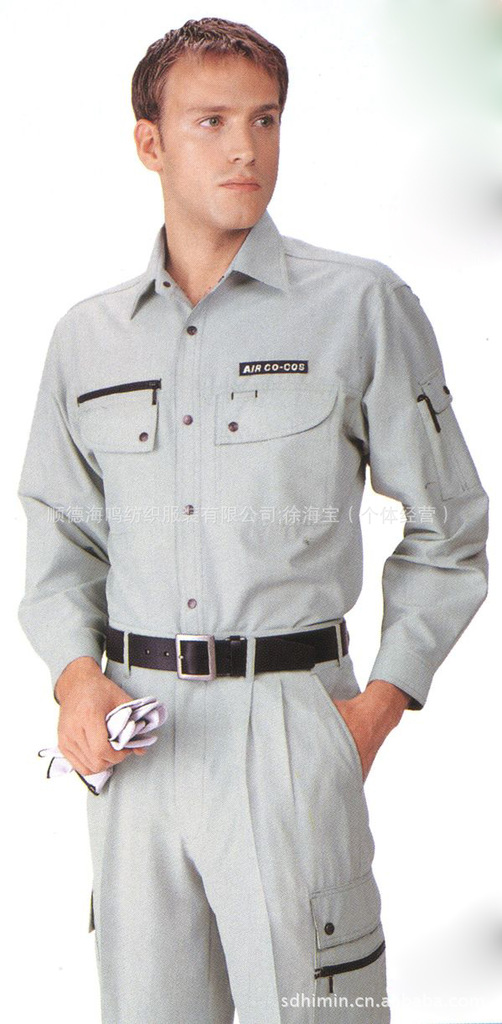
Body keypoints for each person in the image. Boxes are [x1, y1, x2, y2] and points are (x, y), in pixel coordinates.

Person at [17, 16, 489, 1024]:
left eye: (265, 120)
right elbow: (60, 538)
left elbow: (448, 527)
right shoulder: (87, 340)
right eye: (212, 121)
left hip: (288, 729)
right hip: (137, 745)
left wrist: (374, 708)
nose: (246, 149)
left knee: (314, 1011)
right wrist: (74, 677)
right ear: (149, 143)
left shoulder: (359, 304)